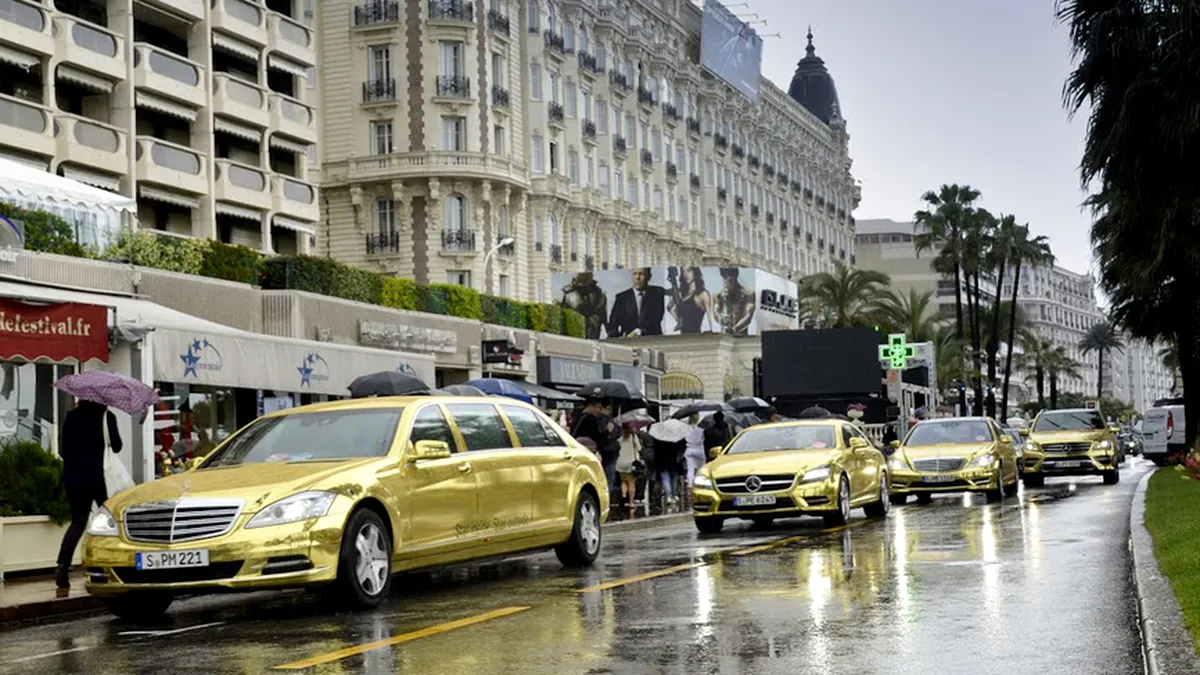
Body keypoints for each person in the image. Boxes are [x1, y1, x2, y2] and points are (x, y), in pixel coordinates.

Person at [56, 399, 122, 589]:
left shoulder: (72, 416)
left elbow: (63, 450)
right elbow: (116, 446)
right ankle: (108, 565)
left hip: (73, 477)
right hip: (99, 478)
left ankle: (62, 565)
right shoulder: (107, 417)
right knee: (110, 523)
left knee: (78, 522)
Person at [571, 399, 621, 495]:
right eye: (598, 407)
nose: (599, 410)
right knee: (605, 477)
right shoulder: (591, 419)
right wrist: (607, 431)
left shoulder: (577, 416)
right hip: (590, 452)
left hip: (578, 450)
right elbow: (598, 437)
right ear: (591, 406)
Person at [607, 267, 666, 338]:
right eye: (635, 274)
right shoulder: (622, 298)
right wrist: (624, 336)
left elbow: (656, 318)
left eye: (642, 274)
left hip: (652, 340)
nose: (637, 277)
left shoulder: (657, 293)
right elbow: (612, 325)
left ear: (649, 277)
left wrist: (639, 332)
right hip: (629, 343)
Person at [559, 272, 608, 340]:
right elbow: (562, 318)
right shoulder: (568, 295)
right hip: (575, 336)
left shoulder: (600, 295)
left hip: (594, 335)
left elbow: (604, 317)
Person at [667, 267, 713, 334]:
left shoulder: (702, 294)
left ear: (695, 271)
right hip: (683, 337)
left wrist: (711, 332)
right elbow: (682, 323)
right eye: (683, 272)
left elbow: (711, 316)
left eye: (689, 270)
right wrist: (671, 310)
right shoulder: (682, 295)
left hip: (697, 337)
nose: (685, 274)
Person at [712, 268, 756, 336]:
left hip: (741, 336)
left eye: (730, 280)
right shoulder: (718, 295)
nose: (727, 282)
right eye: (725, 278)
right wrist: (721, 319)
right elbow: (716, 313)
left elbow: (748, 316)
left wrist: (733, 330)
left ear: (736, 277)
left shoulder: (748, 294)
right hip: (725, 336)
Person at [615, 424, 642, 508]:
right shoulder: (633, 437)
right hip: (631, 463)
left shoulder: (619, 438)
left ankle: (623, 495)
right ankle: (631, 502)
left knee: (623, 481)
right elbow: (639, 448)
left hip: (620, 462)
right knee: (631, 483)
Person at [683, 414, 707, 487]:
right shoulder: (700, 429)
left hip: (689, 449)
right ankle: (700, 484)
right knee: (701, 469)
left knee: (690, 469)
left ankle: (690, 485)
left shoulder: (685, 429)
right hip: (699, 449)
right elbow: (703, 439)